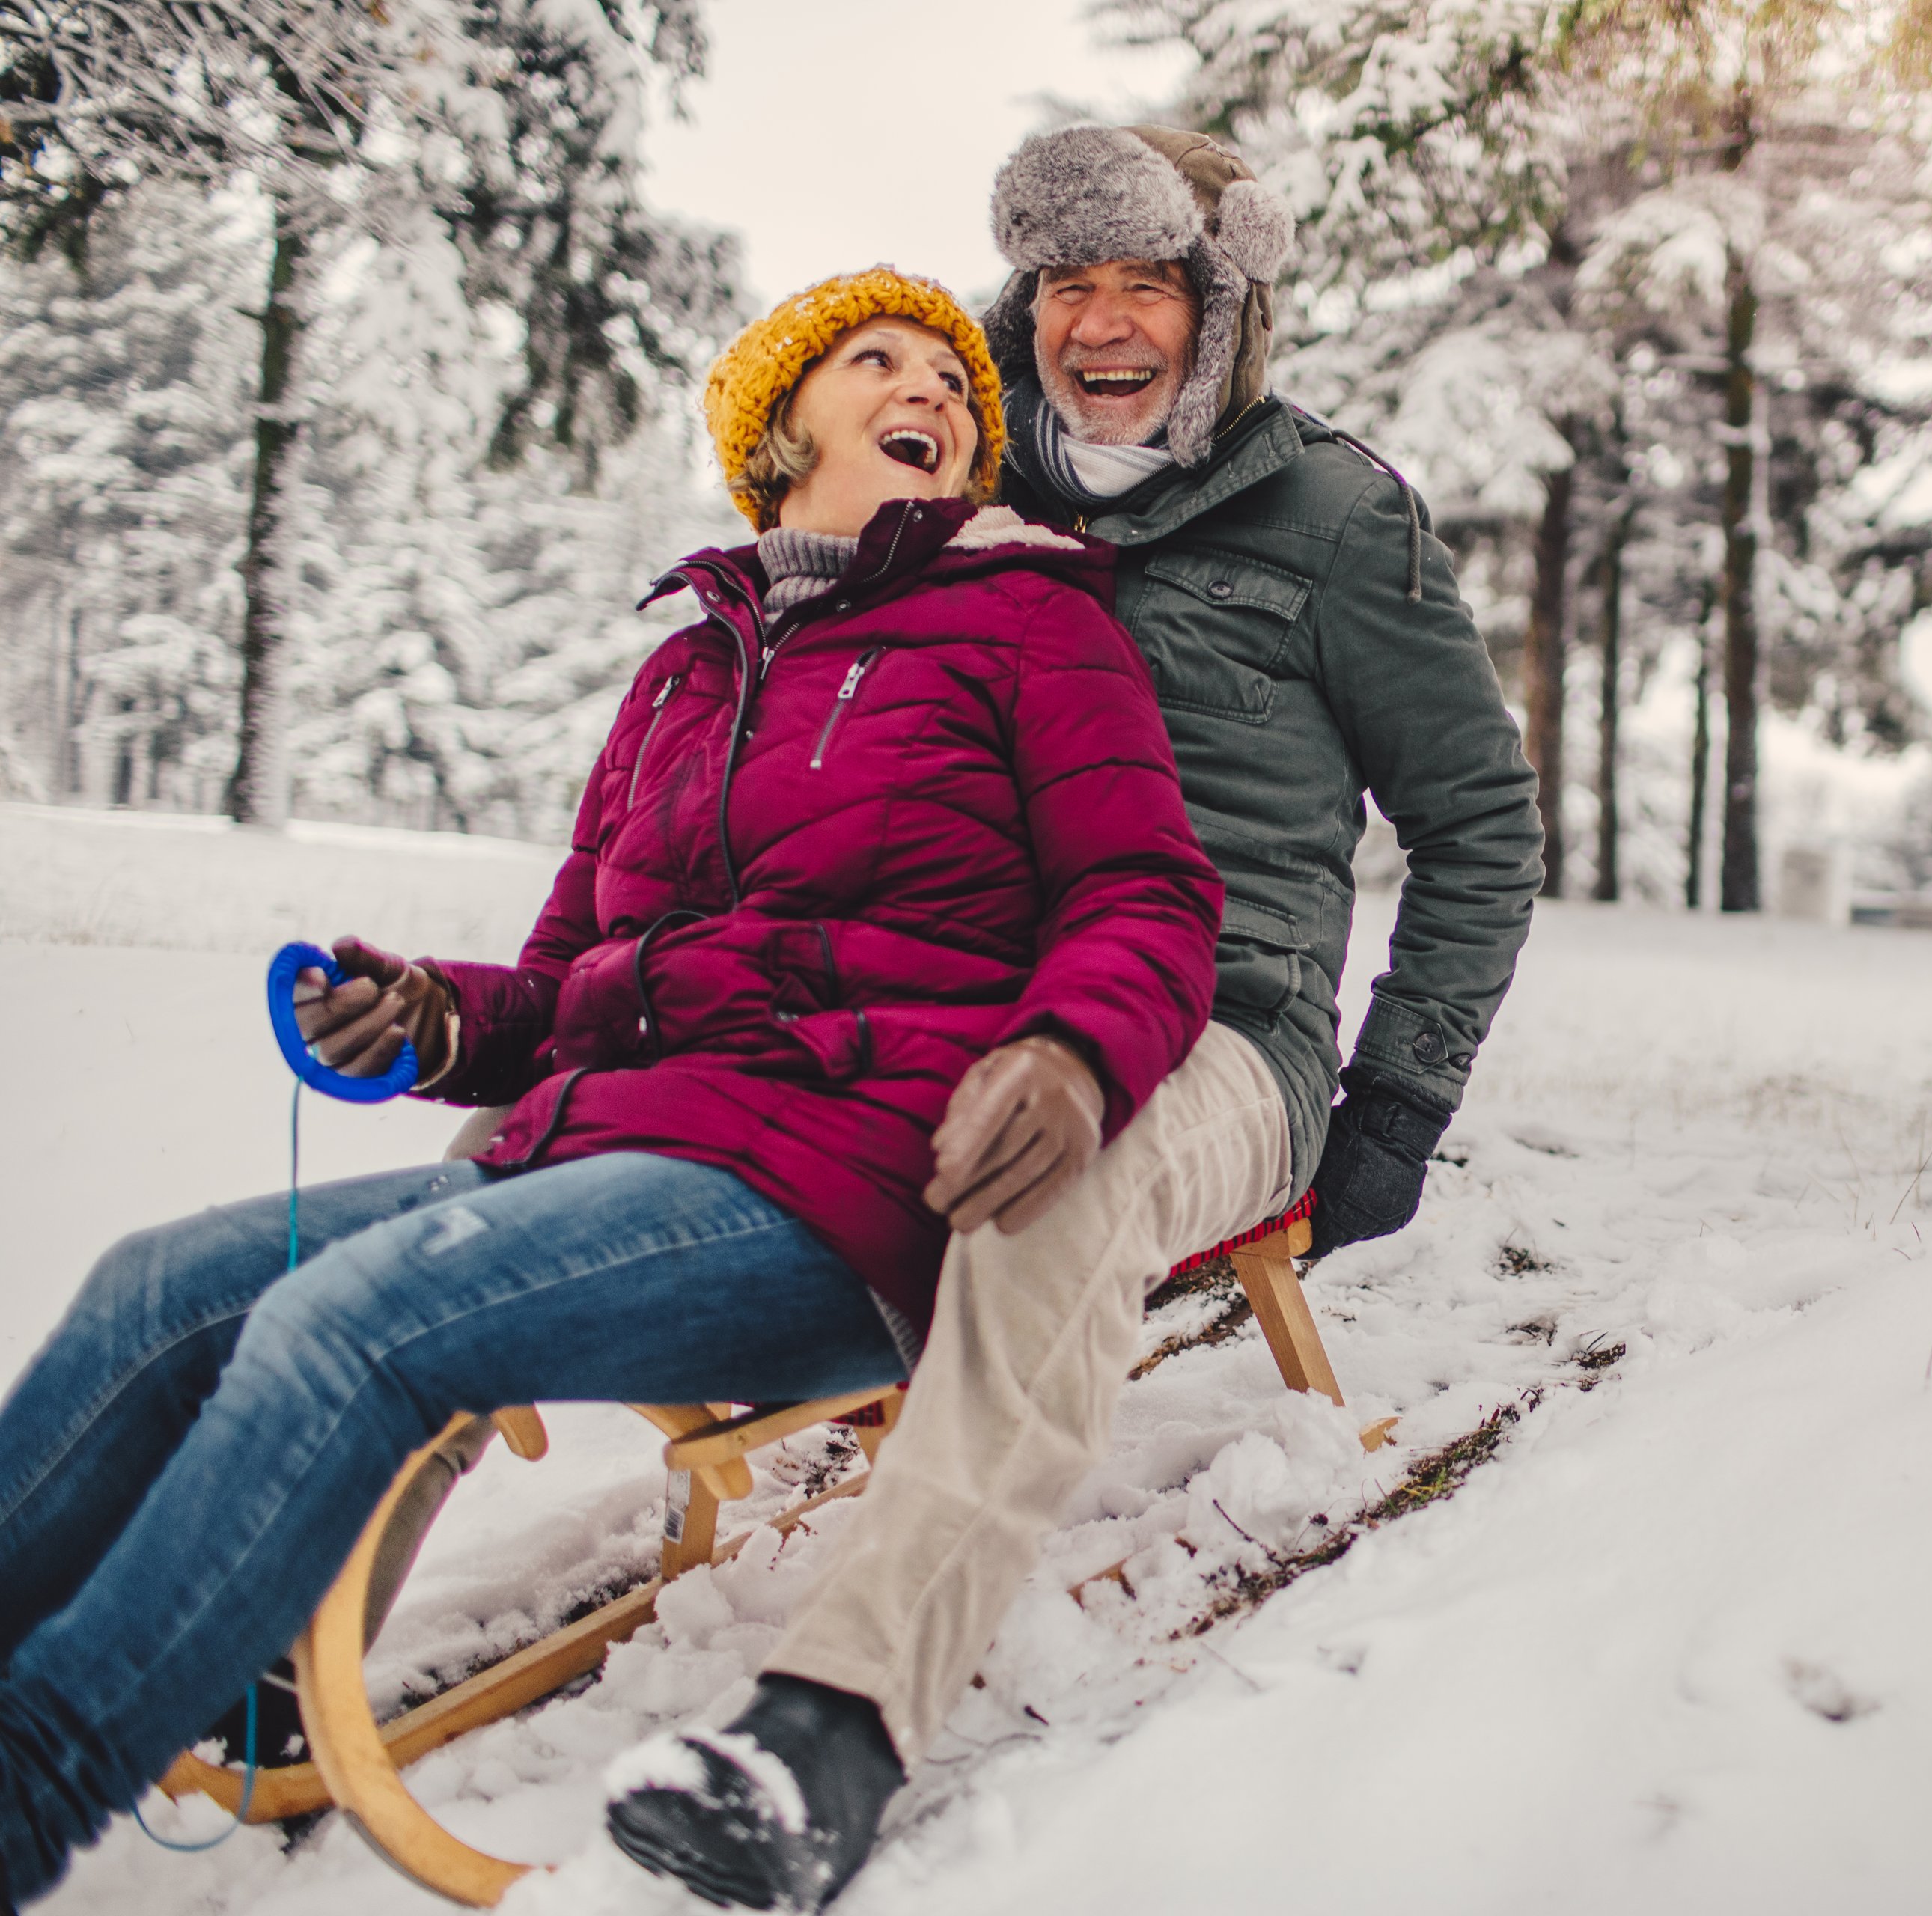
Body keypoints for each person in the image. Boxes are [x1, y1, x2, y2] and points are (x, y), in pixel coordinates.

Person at [0, 266, 1226, 1912]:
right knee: (157, 1285)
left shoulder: (1031, 616)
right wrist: (432, 1017)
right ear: (783, 422)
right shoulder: (685, 676)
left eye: (950, 373)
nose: (927, 384)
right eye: (876, 358)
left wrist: (1074, 1050)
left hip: (844, 1174)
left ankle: (26, 1788)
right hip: (613, 1147)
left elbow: (1146, 894)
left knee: (354, 1320)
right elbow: (572, 974)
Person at [603, 125, 1544, 1911]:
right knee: (560, 1079)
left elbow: (1479, 827)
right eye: (1070, 288)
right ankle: (301, 1560)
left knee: (1064, 1162)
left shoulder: (1338, 519)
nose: (1104, 327)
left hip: (1217, 1024)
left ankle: (836, 1720)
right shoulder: (953, 471)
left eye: (1150, 289)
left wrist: (1396, 1101)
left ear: (1224, 307)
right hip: (941, 979)